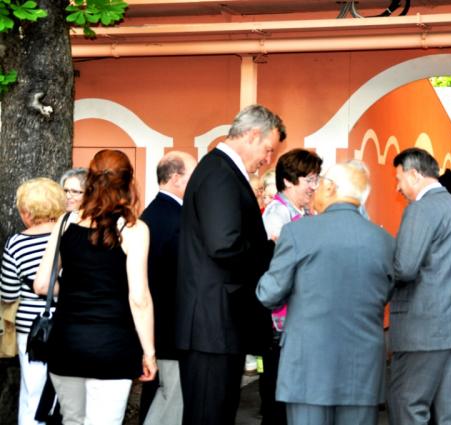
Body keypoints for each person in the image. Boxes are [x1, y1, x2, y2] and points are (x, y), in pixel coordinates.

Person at [256, 161, 393, 425]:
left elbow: (269, 293)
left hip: (308, 366)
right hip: (362, 367)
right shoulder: (383, 240)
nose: (315, 188)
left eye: (319, 183)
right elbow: (385, 293)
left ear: (330, 188)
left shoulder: (297, 232)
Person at [176, 104, 286, 425]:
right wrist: (270, 249)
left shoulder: (222, 171)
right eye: (268, 149)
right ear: (252, 135)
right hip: (213, 326)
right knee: (209, 416)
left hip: (216, 325)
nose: (268, 159)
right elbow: (224, 246)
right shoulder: (220, 174)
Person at [34, 150, 157, 424]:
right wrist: (149, 353)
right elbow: (139, 299)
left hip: (66, 343)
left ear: (90, 180)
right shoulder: (134, 229)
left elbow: (41, 284)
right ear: (128, 183)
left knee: (72, 420)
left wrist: (75, 289)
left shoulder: (65, 222)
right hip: (113, 345)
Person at [388, 147, 451, 425]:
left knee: (408, 405)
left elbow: (404, 268)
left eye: (399, 179)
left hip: (424, 330)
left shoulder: (420, 210)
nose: (398, 187)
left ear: (414, 175)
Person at [260, 147, 322, 425]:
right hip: (281, 322)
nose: (314, 186)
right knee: (279, 397)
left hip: (300, 317)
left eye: (316, 179)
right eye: (309, 179)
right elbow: (280, 268)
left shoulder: (304, 212)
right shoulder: (277, 214)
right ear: (288, 180)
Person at [0, 178, 65, 425]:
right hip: (70, 322)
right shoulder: (71, 235)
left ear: (27, 211)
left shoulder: (16, 243)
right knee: (68, 394)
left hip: (33, 329)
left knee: (33, 393)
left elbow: (8, 293)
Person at [139, 151, 196, 425]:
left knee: (157, 398)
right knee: (169, 403)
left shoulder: (151, 214)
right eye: (192, 176)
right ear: (175, 178)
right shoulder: (177, 220)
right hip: (172, 329)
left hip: (157, 328)